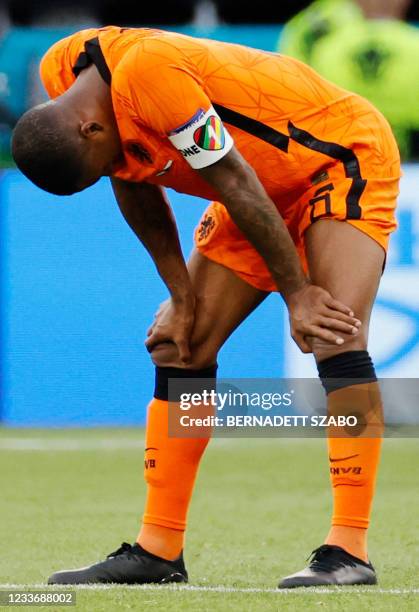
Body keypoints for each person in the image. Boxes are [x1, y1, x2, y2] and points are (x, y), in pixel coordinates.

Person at [11, 26, 400, 588]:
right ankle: (158, 549)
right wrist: (181, 298)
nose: (108, 170)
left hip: (335, 157)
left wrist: (298, 294)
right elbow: (132, 178)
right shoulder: (62, 71)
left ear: (88, 127)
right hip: (252, 184)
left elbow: (234, 178)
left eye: (97, 161)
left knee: (333, 332)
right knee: (181, 343)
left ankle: (350, 550)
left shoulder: (151, 77)